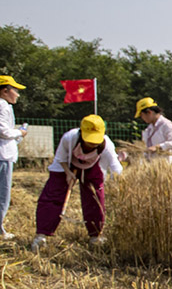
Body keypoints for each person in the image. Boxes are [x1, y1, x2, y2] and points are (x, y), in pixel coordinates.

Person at [31, 114, 123, 252]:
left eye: (95, 141)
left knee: (95, 199)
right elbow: (61, 158)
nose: (92, 144)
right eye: (89, 140)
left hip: (92, 168)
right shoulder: (70, 137)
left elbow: (115, 166)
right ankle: (41, 235)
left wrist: (120, 183)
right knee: (52, 196)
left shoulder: (106, 144)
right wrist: (68, 173)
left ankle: (96, 235)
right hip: (66, 166)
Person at [0, 75, 30, 241]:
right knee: (3, 194)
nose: (17, 94)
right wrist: (20, 132)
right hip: (3, 155)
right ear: (5, 90)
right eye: (15, 90)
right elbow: (3, 132)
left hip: (4, 154)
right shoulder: (2, 106)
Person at [136, 98, 172, 162]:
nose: (142, 118)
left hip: (169, 165)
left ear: (149, 112)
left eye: (141, 115)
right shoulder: (148, 130)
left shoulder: (166, 125)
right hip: (154, 165)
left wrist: (158, 147)